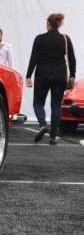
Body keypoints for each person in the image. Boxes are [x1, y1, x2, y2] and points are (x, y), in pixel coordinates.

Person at [26, 13, 77, 145]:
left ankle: (43, 124)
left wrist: (28, 75)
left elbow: (34, 58)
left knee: (38, 103)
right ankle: (53, 137)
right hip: (60, 76)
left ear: (48, 24)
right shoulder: (65, 39)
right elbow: (71, 58)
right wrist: (72, 75)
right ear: (59, 25)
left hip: (42, 75)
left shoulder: (39, 39)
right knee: (56, 106)